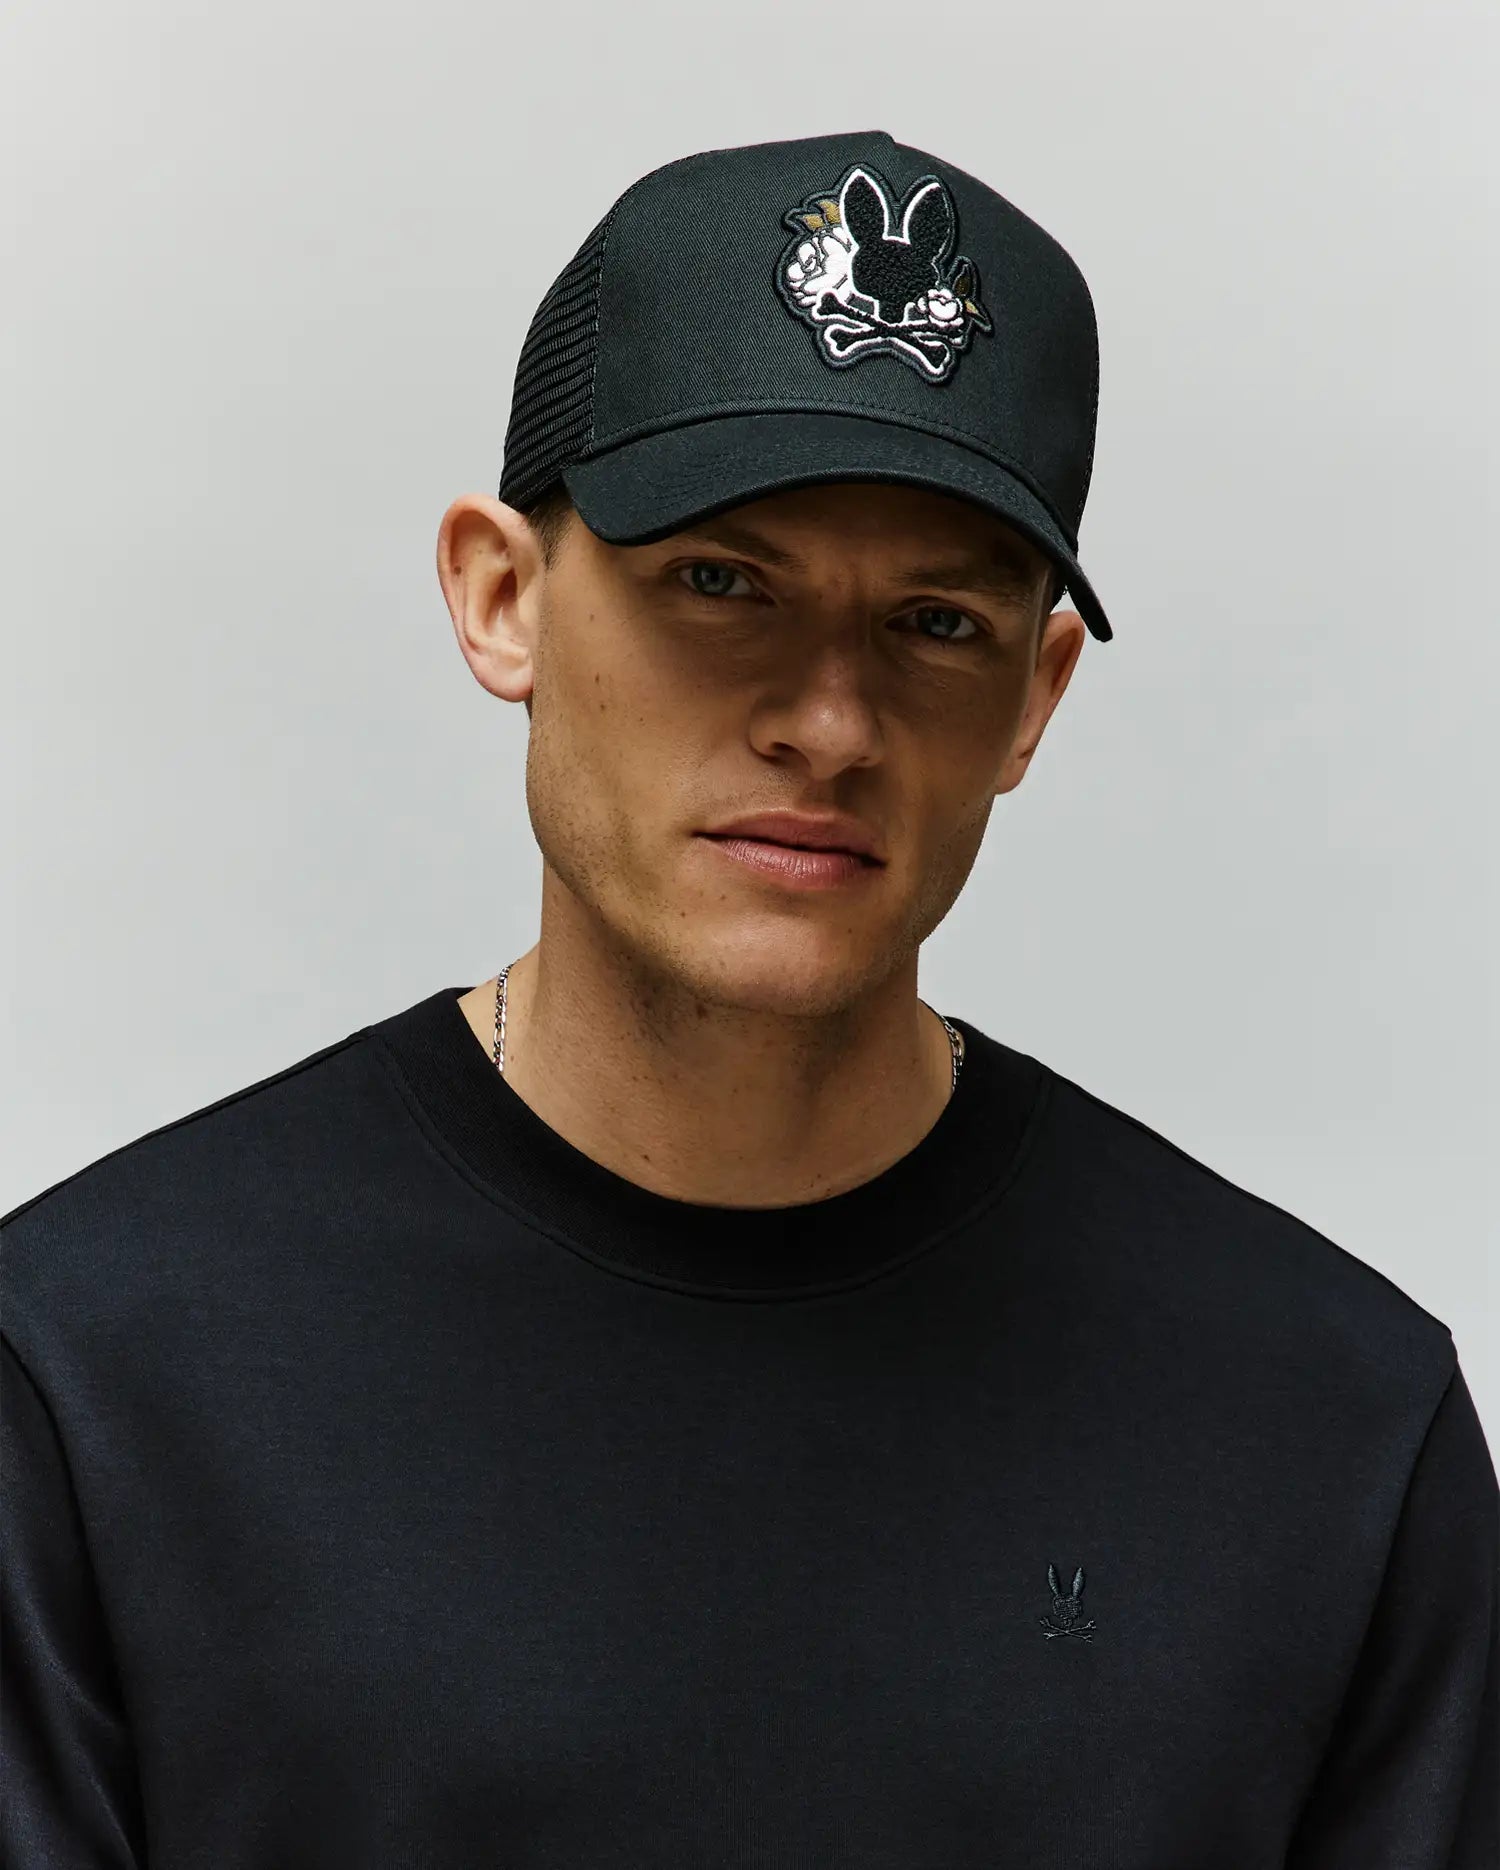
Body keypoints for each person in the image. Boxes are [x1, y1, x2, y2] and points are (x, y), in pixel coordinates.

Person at [2, 129, 1494, 1868]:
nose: (830, 723)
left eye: (936, 623)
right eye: (721, 582)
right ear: (502, 597)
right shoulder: (95, 1385)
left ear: (1037, 696)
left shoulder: (1329, 1432)